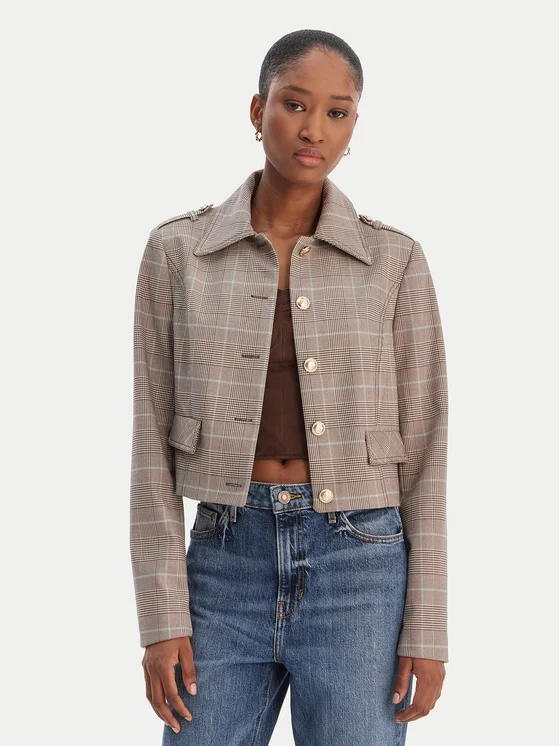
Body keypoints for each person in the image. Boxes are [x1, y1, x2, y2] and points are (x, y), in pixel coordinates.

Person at [130, 28, 448, 745]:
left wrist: (428, 627)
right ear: (257, 109)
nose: (314, 129)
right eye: (295, 104)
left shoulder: (394, 260)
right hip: (224, 557)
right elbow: (149, 441)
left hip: (361, 566)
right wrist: (160, 618)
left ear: (354, 125)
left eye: (338, 112)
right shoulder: (179, 251)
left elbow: (428, 449)